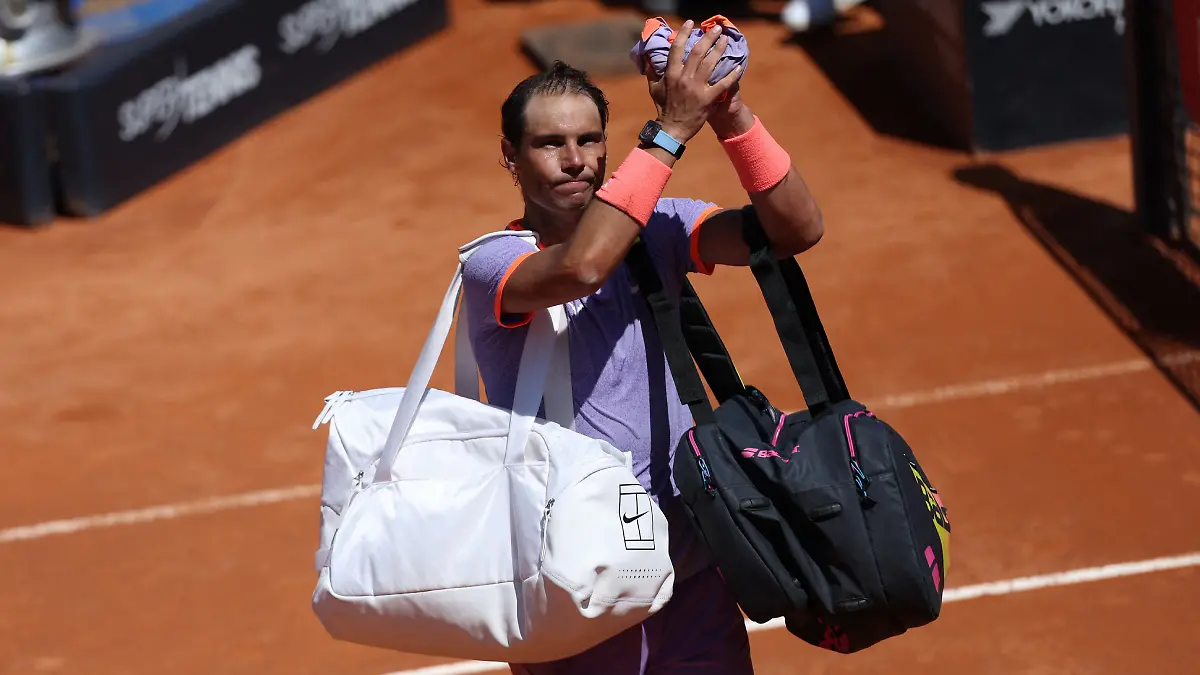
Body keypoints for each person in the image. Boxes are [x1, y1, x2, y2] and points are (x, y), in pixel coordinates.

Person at [461, 21, 824, 675]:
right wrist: (672, 129)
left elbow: (796, 227)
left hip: (688, 586)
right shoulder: (493, 263)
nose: (574, 159)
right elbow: (582, 265)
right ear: (510, 158)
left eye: (588, 140)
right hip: (571, 601)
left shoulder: (659, 225)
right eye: (549, 144)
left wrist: (727, 112)